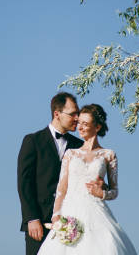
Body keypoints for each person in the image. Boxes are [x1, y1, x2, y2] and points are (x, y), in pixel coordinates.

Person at [37, 104, 137, 255]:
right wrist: (56, 215)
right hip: (70, 212)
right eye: (79, 123)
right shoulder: (70, 154)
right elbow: (61, 188)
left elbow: (114, 191)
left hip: (97, 212)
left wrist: (102, 193)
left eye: (85, 124)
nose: (80, 128)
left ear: (97, 127)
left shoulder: (108, 155)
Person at [17, 92, 85, 255]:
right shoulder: (33, 141)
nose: (77, 118)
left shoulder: (80, 146)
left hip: (71, 223)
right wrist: (32, 218)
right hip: (39, 223)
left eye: (78, 113)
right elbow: (24, 184)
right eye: (73, 114)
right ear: (57, 114)